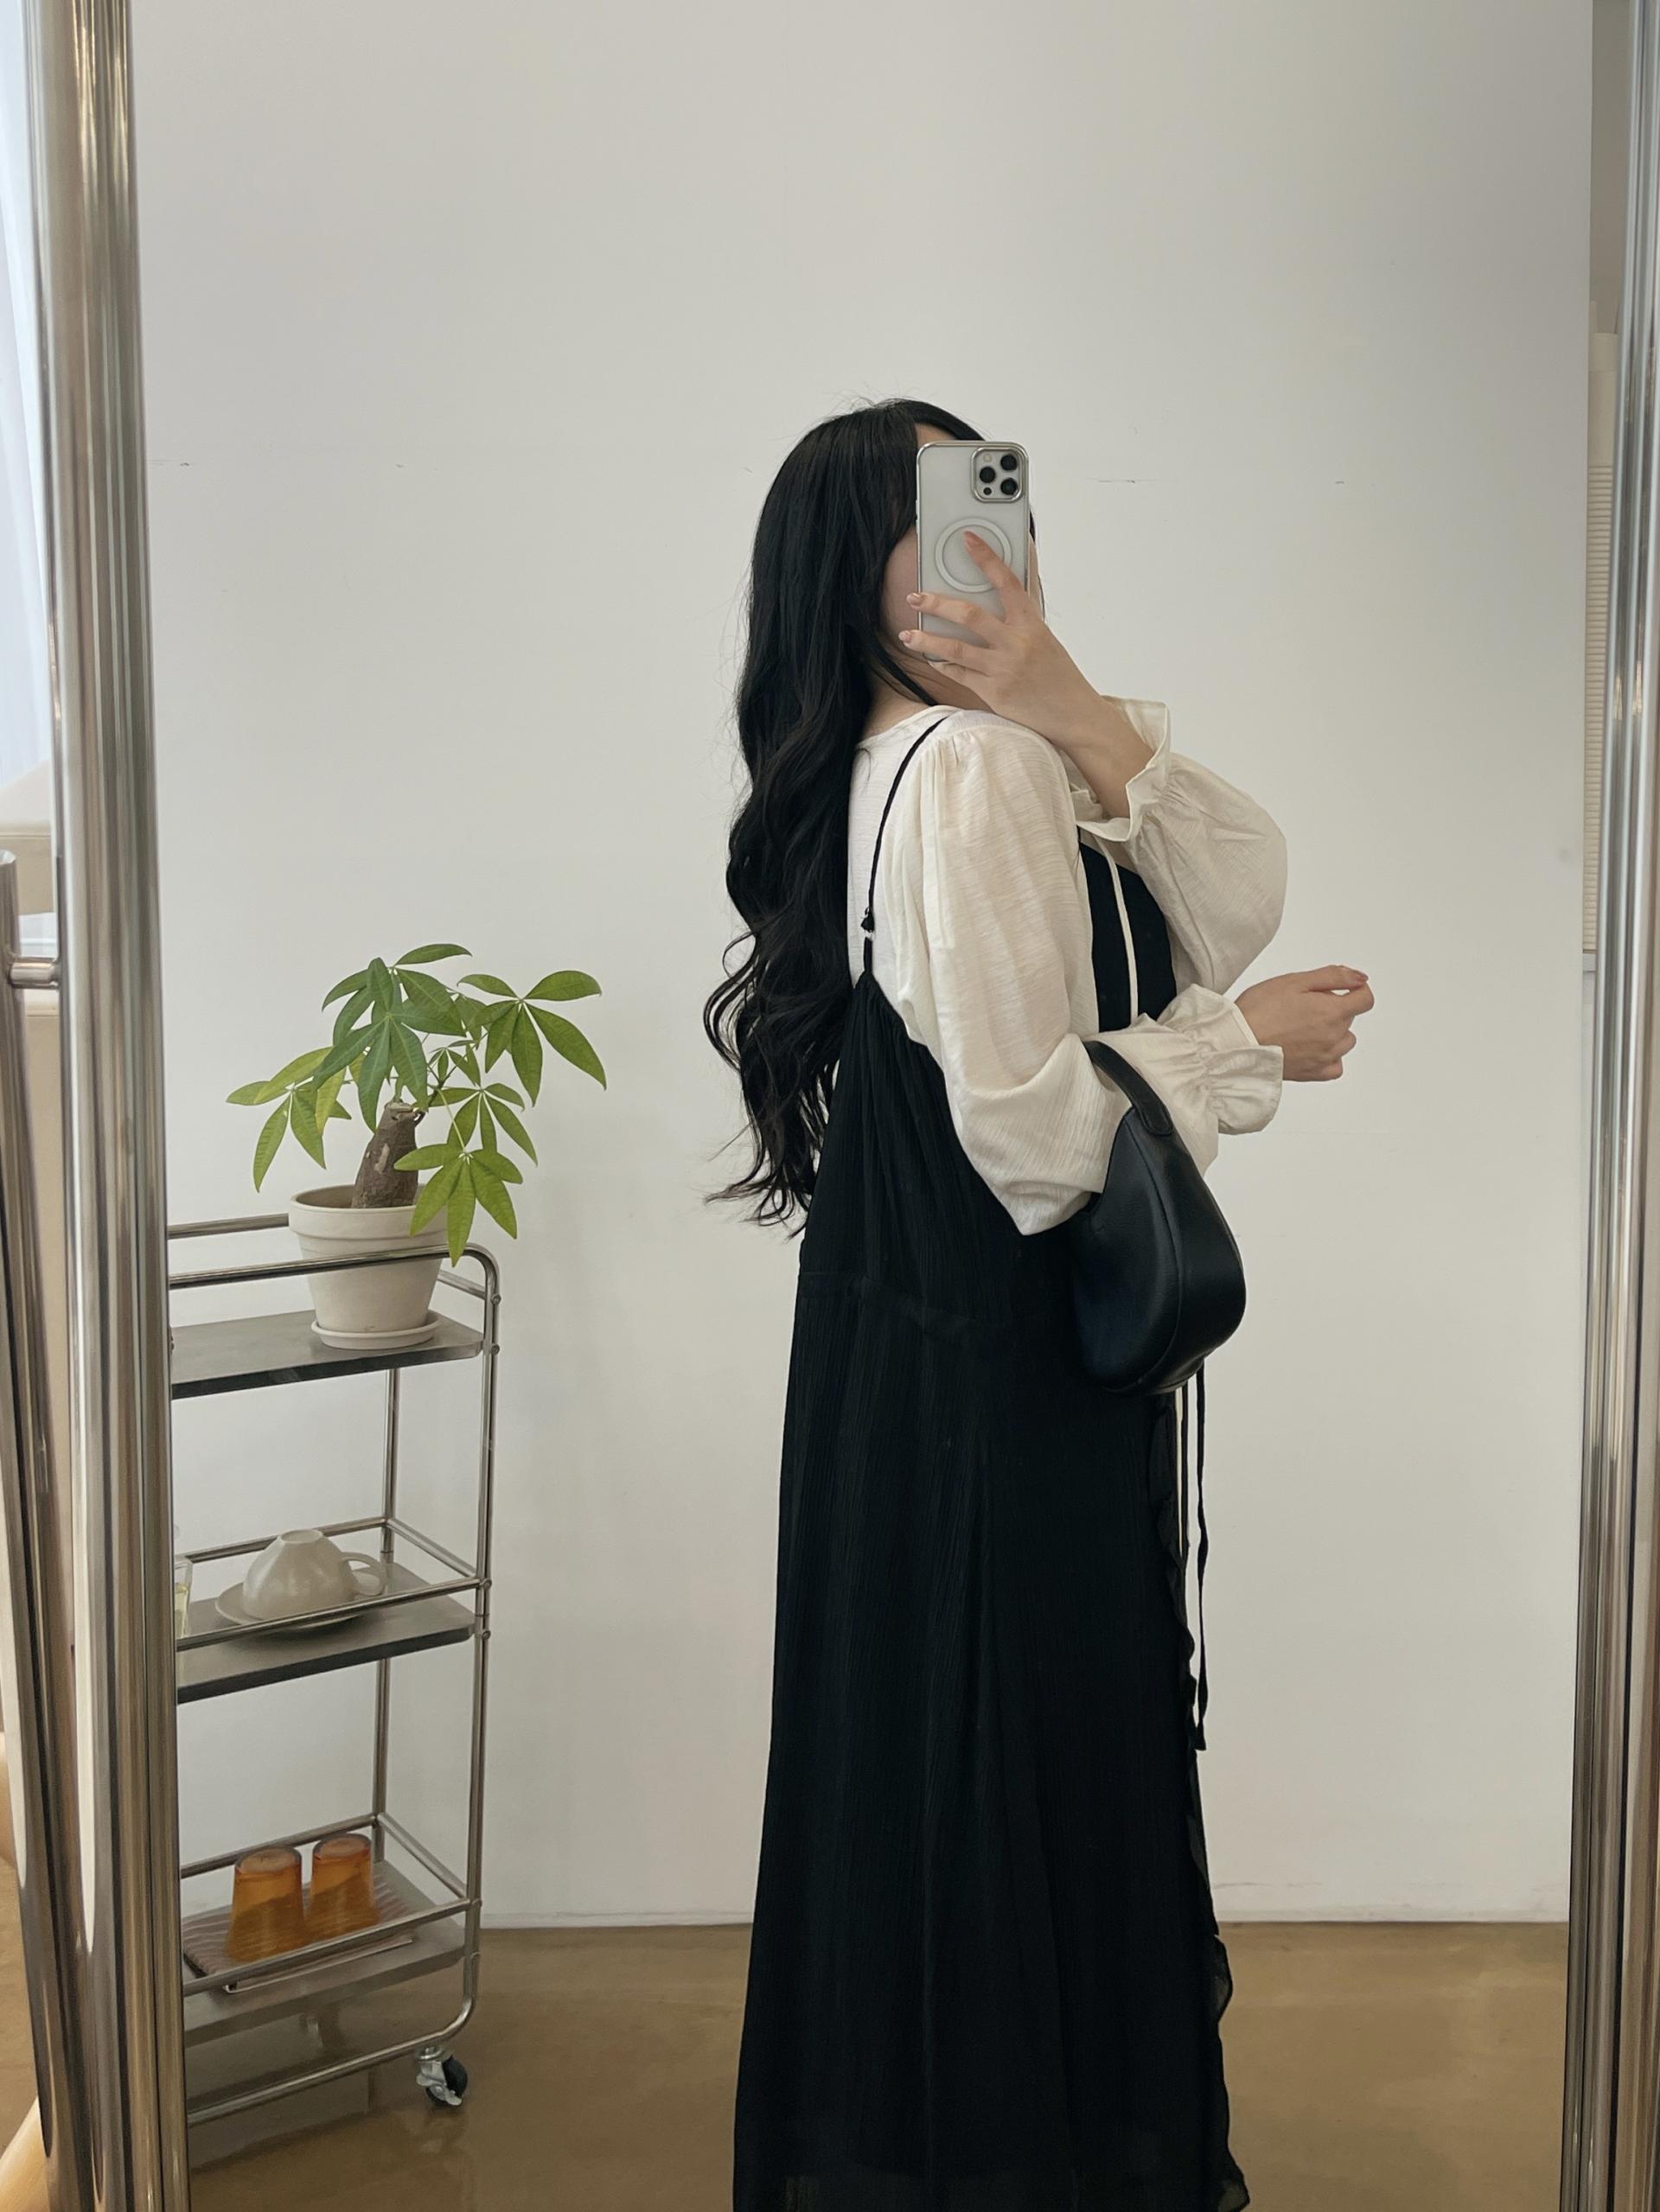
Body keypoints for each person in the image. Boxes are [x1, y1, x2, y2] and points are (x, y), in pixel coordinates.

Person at [705, 397, 1372, 2211]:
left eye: (996, 499)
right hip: (1000, 1366)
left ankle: (938, 2152)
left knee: (929, 1768)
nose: (990, 543)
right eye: (942, 513)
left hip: (895, 1352)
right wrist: (1247, 1046)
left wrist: (1070, 698)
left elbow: (1230, 888)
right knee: (1031, 1751)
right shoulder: (973, 775)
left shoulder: (916, 762)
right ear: (858, 570)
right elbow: (1034, 1139)